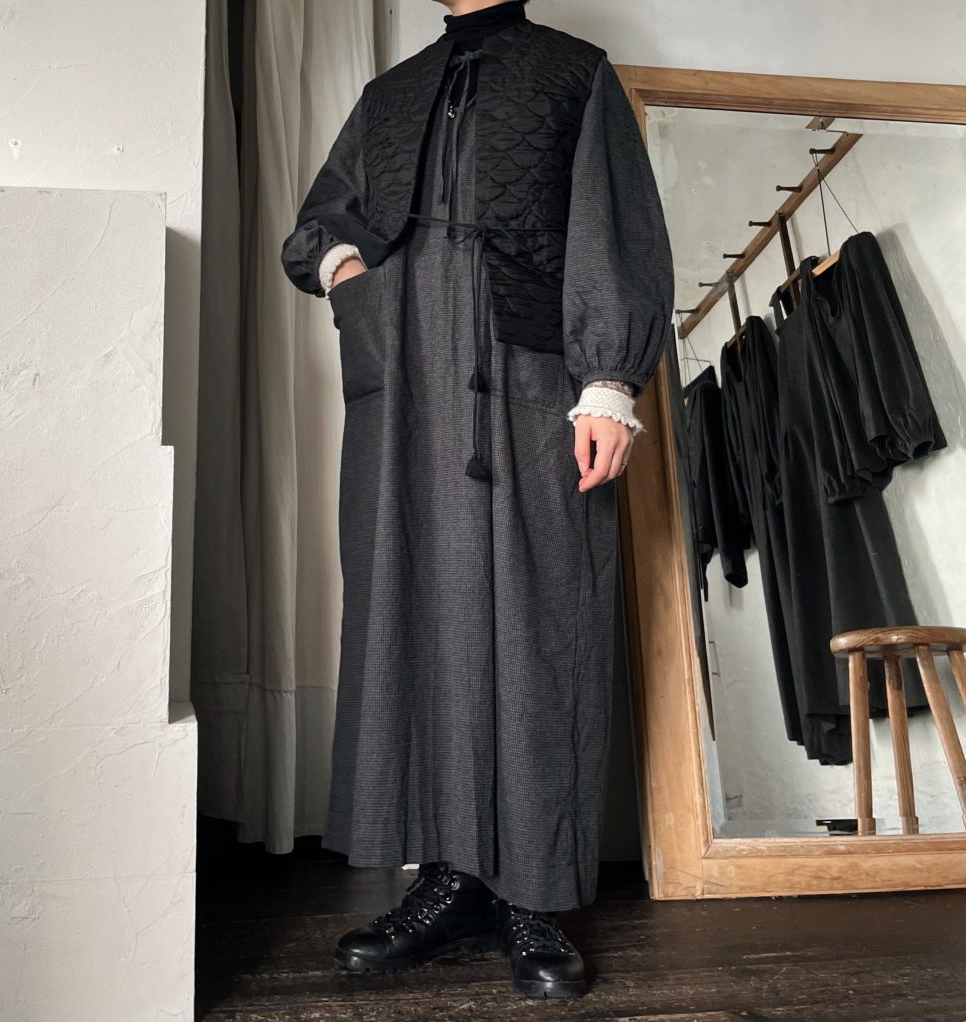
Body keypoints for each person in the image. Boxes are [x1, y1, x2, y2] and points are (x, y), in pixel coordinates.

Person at [281, 0, 674, 1000]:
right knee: (419, 620)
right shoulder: (391, 93)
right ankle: (448, 881)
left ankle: (530, 894)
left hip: (532, 377)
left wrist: (608, 383)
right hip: (405, 384)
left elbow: (615, 230)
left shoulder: (575, 73)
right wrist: (352, 277)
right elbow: (318, 223)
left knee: (542, 621)